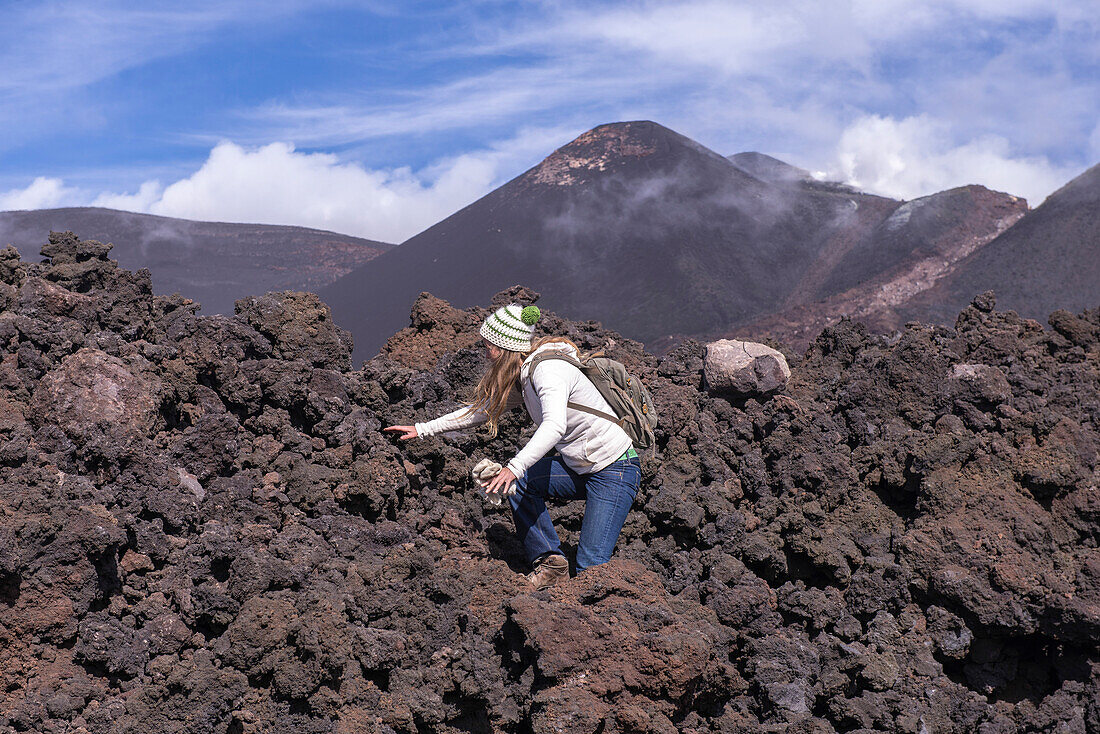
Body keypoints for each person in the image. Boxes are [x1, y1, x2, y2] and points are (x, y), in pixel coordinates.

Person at [384, 303, 641, 589]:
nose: (485, 353)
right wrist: (423, 429)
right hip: (580, 467)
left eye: (488, 347)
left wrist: (515, 467)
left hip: (615, 471)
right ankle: (551, 564)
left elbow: (554, 426)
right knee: (517, 484)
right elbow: (480, 412)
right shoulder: (525, 376)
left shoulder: (548, 372)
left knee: (590, 568)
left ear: (505, 348)